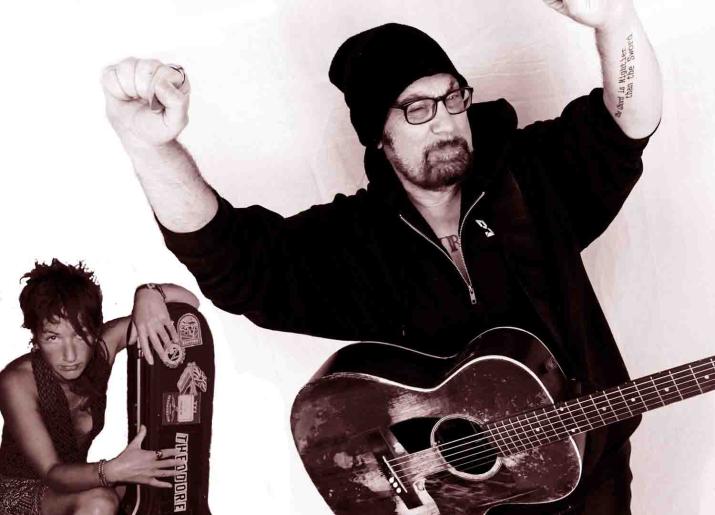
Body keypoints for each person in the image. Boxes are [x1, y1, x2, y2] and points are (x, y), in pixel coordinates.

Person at [101, 0, 661, 513]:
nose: (443, 119)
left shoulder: (534, 179)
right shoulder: (356, 244)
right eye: (415, 108)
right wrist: (149, 146)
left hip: (592, 480)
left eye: (452, 97)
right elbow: (232, 262)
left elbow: (624, 126)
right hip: (453, 501)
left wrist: (615, 19)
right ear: (379, 135)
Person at [0, 259, 199, 514]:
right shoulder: (16, 382)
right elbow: (52, 473)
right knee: (100, 502)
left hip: (75, 485)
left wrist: (149, 293)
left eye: (80, 334)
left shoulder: (103, 349)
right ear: (36, 339)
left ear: (94, 332)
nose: (70, 355)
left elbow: (188, 304)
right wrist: (114, 470)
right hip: (17, 494)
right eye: (53, 337)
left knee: (154, 485)